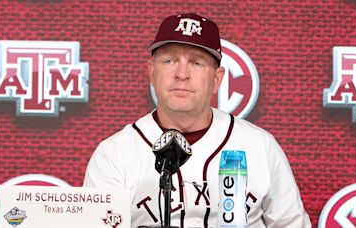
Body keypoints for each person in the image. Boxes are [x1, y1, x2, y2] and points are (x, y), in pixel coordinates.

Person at [84, 13, 311, 227]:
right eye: (170, 60)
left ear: (216, 79)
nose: (182, 74)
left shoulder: (260, 146)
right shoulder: (114, 154)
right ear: (152, 72)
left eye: (197, 62)